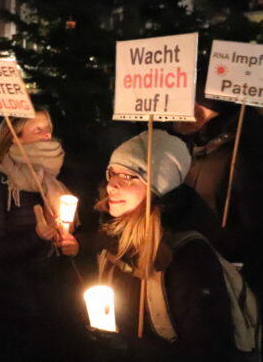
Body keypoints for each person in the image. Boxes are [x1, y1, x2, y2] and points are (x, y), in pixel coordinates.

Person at [94, 129, 254, 361]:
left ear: (160, 185)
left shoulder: (189, 257)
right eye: (112, 173)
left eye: (128, 176)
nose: (111, 186)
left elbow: (210, 350)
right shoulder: (112, 236)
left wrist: (134, 349)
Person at [0, 108, 81, 360]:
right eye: (37, 129)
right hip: (17, 299)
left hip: (59, 295)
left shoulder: (61, 174)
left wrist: (74, 245)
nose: (47, 134)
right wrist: (35, 237)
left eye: (48, 128)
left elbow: (82, 229)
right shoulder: (2, 183)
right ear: (16, 138)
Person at [172, 86, 263, 300]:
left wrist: (222, 249)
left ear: (202, 104)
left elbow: (254, 226)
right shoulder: (201, 142)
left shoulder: (245, 152)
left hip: (234, 276)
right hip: (203, 262)